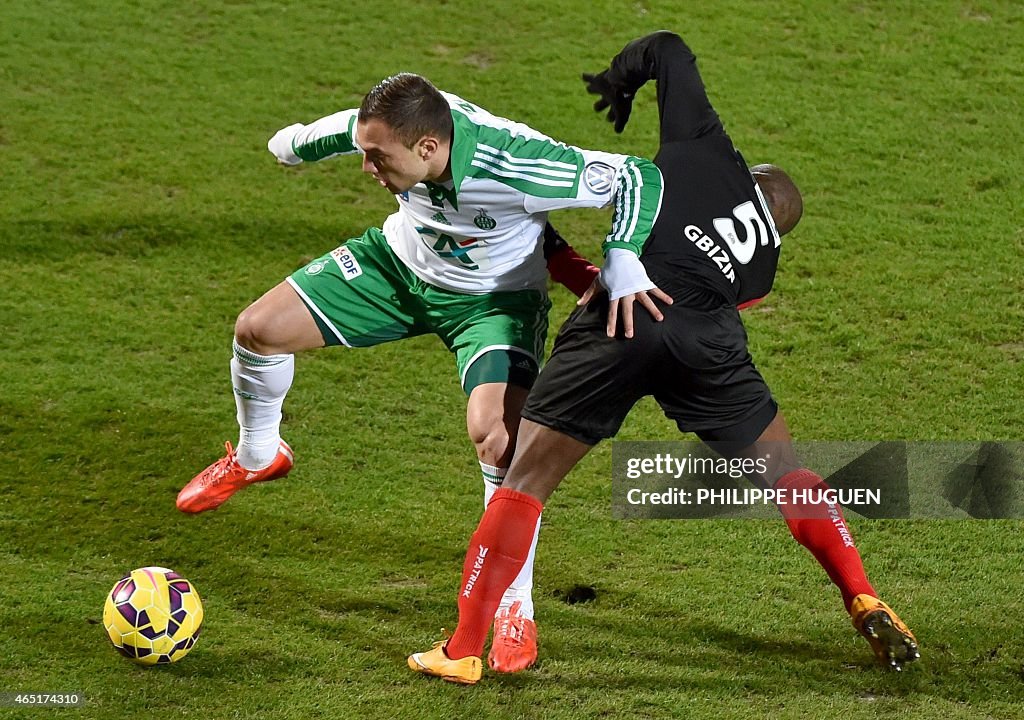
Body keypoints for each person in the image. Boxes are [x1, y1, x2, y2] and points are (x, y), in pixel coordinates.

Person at [408, 31, 919, 685]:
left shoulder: (706, 149)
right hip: (710, 338)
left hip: (626, 314)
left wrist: (621, 78)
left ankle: (463, 649)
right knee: (788, 473)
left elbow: (670, 49)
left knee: (523, 483)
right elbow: (737, 303)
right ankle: (862, 594)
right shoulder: (764, 263)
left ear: (750, 175)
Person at [175, 72, 662, 671]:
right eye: (367, 152)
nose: (368, 168)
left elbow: (640, 176)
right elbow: (345, 133)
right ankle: (258, 456)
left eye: (379, 158)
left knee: (498, 439)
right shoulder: (408, 127)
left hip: (494, 303)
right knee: (257, 328)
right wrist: (297, 144)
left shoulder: (517, 164)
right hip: (399, 268)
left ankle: (515, 607)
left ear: (428, 149)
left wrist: (622, 258)